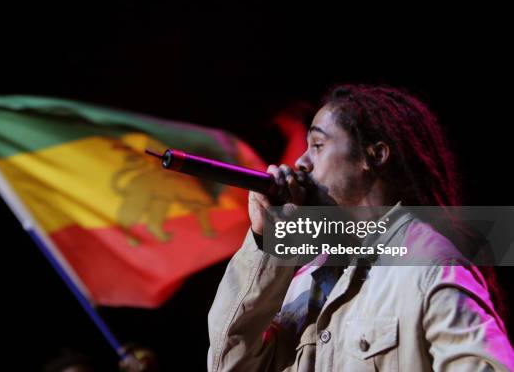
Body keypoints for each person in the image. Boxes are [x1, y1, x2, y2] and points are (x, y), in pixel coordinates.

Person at [207, 84, 514, 371]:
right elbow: (228, 364)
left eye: (317, 144)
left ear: (375, 155)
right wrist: (268, 242)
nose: (300, 162)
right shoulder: (301, 282)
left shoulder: (429, 266)